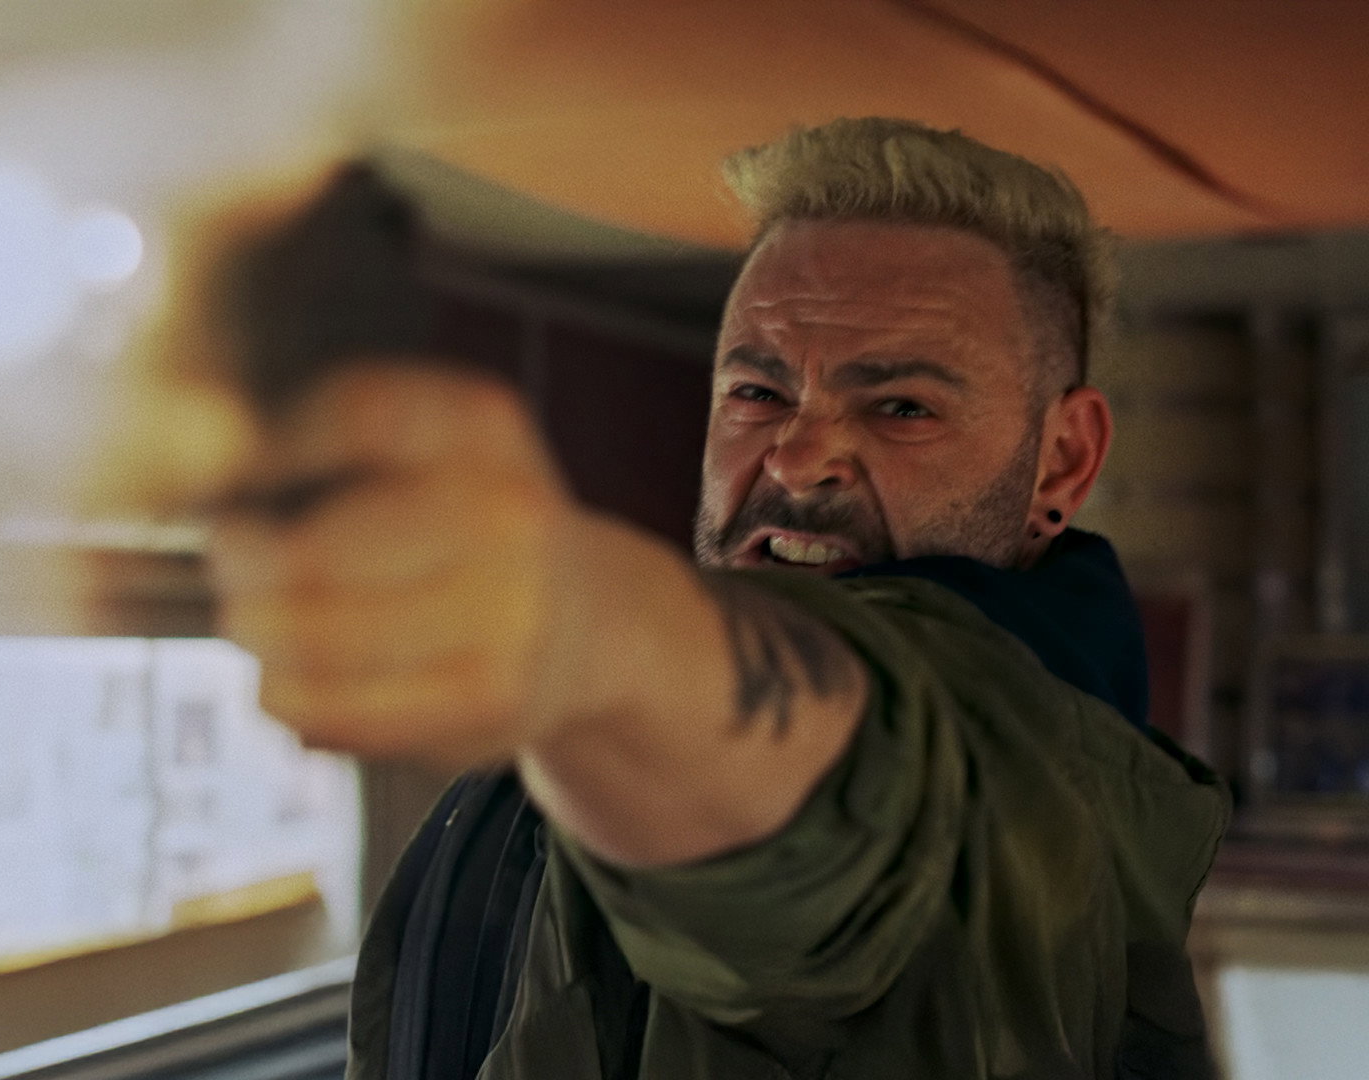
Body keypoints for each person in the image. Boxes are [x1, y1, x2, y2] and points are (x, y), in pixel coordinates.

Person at [208, 117, 1229, 1079]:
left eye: (901, 406)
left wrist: (572, 620)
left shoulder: (1016, 775)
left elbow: (858, 788)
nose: (798, 455)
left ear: (1063, 459)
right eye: (758, 393)